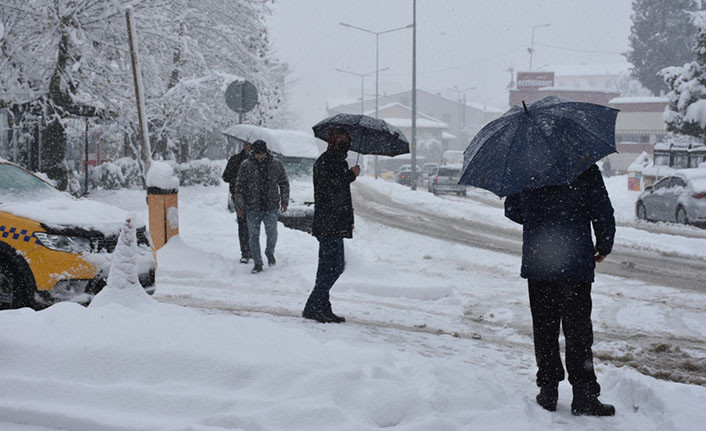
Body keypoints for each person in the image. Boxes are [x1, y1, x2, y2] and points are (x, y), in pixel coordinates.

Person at [503, 164, 616, 417]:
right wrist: (604, 243)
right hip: (574, 260)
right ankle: (584, 395)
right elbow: (602, 210)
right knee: (578, 330)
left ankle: (548, 389)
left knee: (545, 327)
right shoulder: (585, 167)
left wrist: (539, 212)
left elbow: (512, 210)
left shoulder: (525, 166)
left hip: (539, 260)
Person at [302, 128, 360, 323]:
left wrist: (348, 222)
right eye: (343, 139)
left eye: (347, 139)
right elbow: (330, 188)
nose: (346, 143)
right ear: (333, 141)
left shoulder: (338, 161)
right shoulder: (325, 161)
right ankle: (313, 306)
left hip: (336, 222)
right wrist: (350, 175)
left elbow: (343, 195)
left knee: (329, 268)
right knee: (332, 268)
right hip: (327, 223)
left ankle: (322, 307)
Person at [234, 140, 289, 274]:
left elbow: (284, 183)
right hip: (252, 207)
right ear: (254, 153)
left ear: (266, 152)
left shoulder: (276, 164)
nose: (260, 156)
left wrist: (284, 200)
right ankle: (258, 263)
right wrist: (240, 206)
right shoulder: (246, 165)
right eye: (257, 154)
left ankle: (269, 252)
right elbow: (239, 187)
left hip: (271, 206)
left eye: (262, 153)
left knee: (272, 233)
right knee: (253, 236)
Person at [222, 141, 252, 263]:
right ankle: (245, 252)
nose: (248, 147)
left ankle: (252, 250)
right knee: (243, 223)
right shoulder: (235, 159)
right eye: (246, 144)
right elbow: (225, 177)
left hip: (254, 196)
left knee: (253, 225)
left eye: (250, 145)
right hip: (239, 196)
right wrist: (236, 179)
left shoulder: (257, 160)